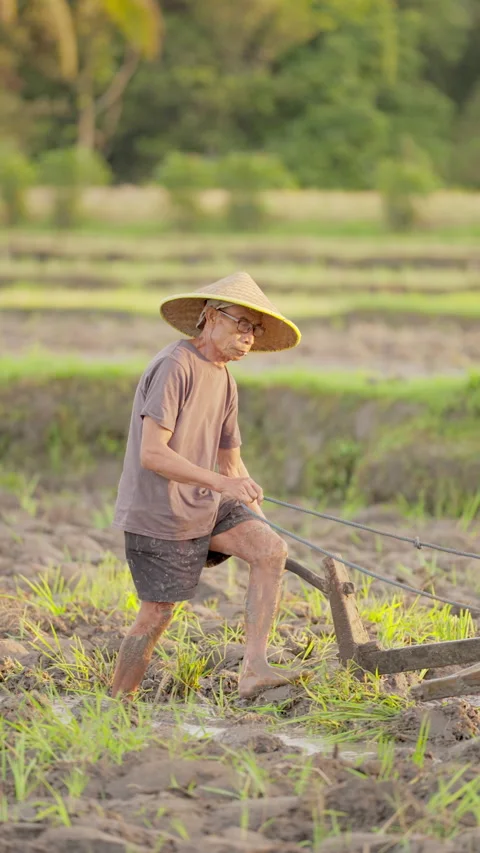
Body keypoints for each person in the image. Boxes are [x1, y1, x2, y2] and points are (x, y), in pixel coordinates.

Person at [111, 271, 302, 700]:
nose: (248, 336)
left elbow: (230, 458)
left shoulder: (225, 378)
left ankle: (253, 669)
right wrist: (221, 482)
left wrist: (259, 513)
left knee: (270, 550)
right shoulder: (174, 366)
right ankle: (119, 701)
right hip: (158, 510)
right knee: (157, 613)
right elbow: (152, 454)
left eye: (254, 329)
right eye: (241, 324)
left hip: (205, 502)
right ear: (211, 317)